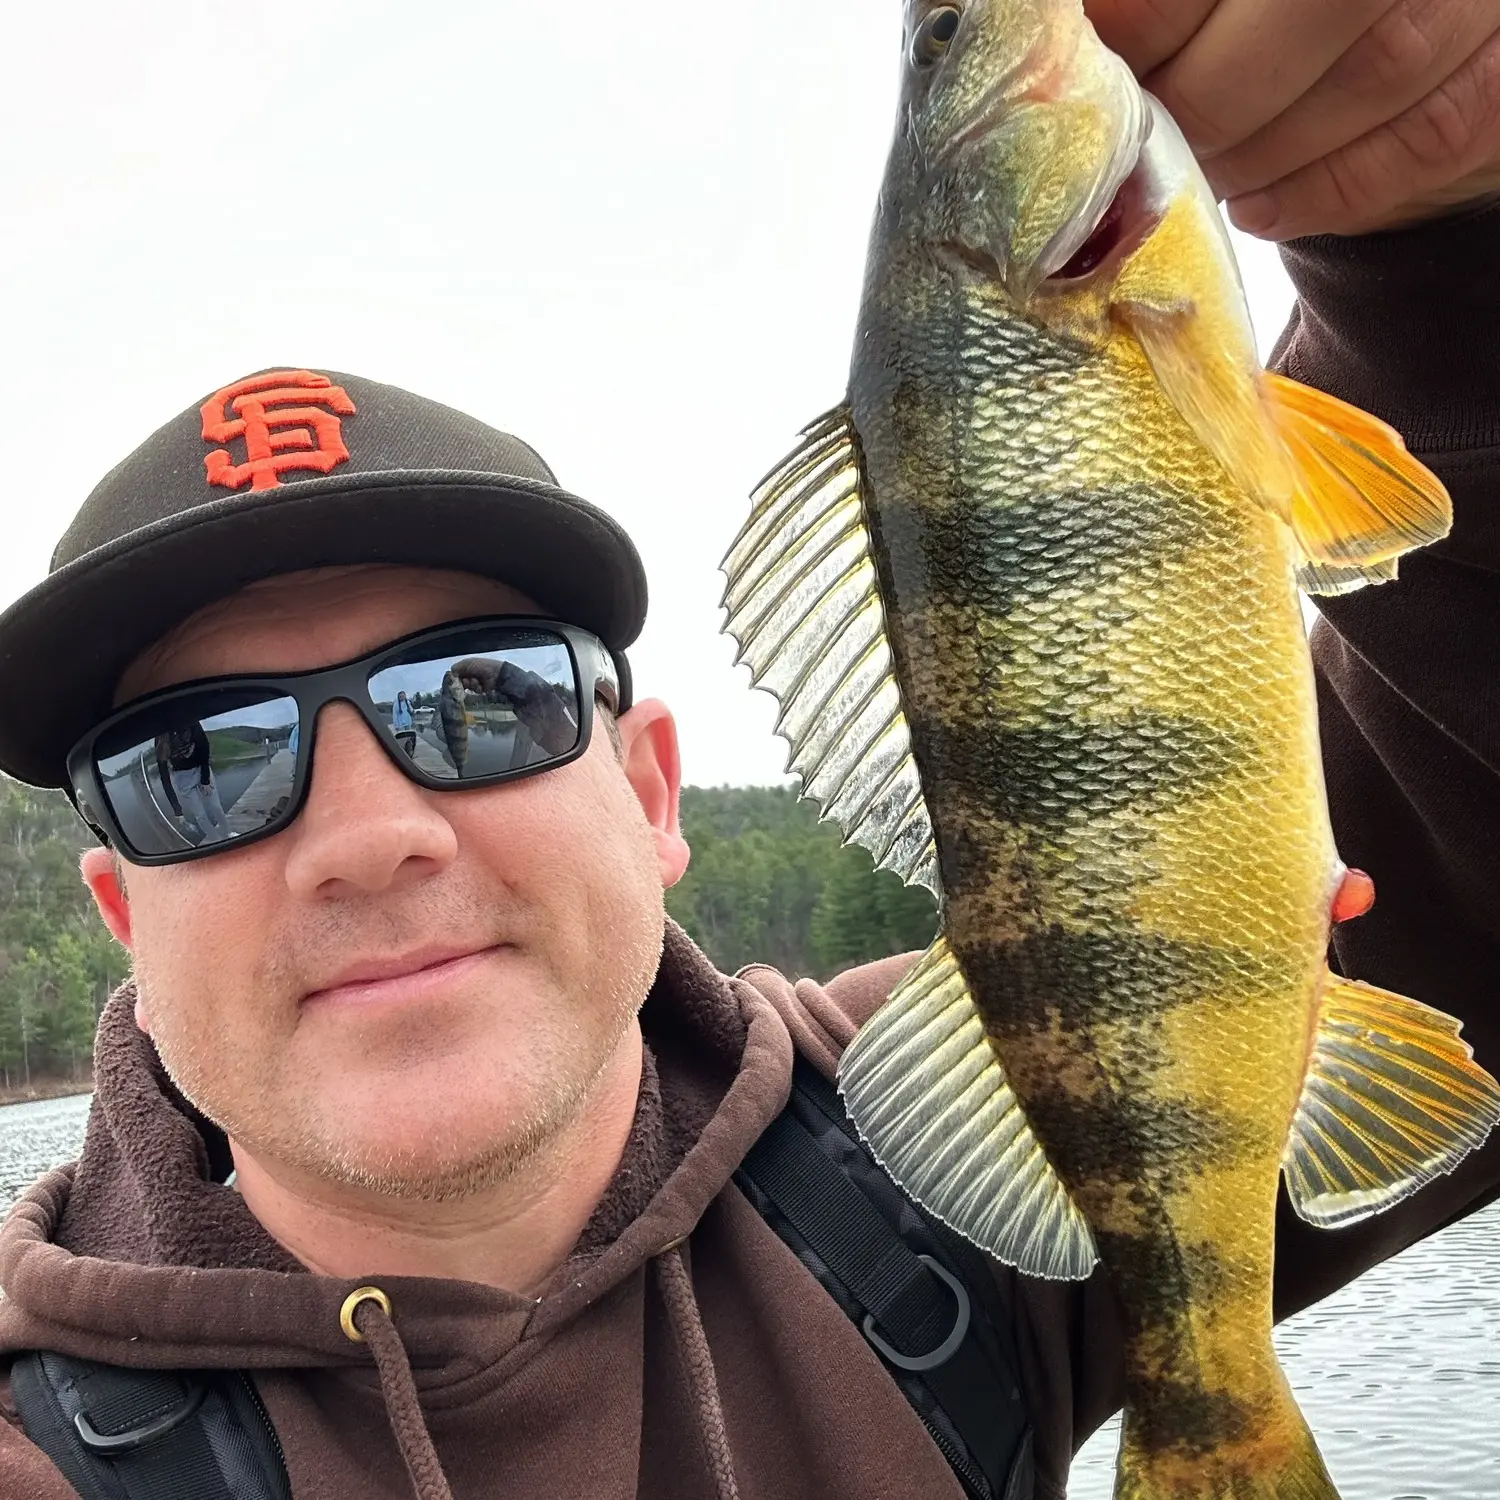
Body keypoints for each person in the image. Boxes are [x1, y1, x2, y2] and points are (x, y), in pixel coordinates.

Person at [0, 5, 1497, 1496]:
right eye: (199, 762)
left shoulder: (943, 1139)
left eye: (479, 700)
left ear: (649, 791)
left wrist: (1434, 247)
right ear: (122, 913)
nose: (369, 830)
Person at [392, 689, 419, 759]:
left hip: (408, 722)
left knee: (409, 738)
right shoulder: (396, 704)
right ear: (398, 696)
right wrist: (396, 725)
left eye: (403, 696)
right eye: (401, 696)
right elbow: (394, 715)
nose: (402, 697)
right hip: (400, 723)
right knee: (402, 739)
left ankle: (409, 752)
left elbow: (412, 711)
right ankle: (402, 753)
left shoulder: (407, 702)